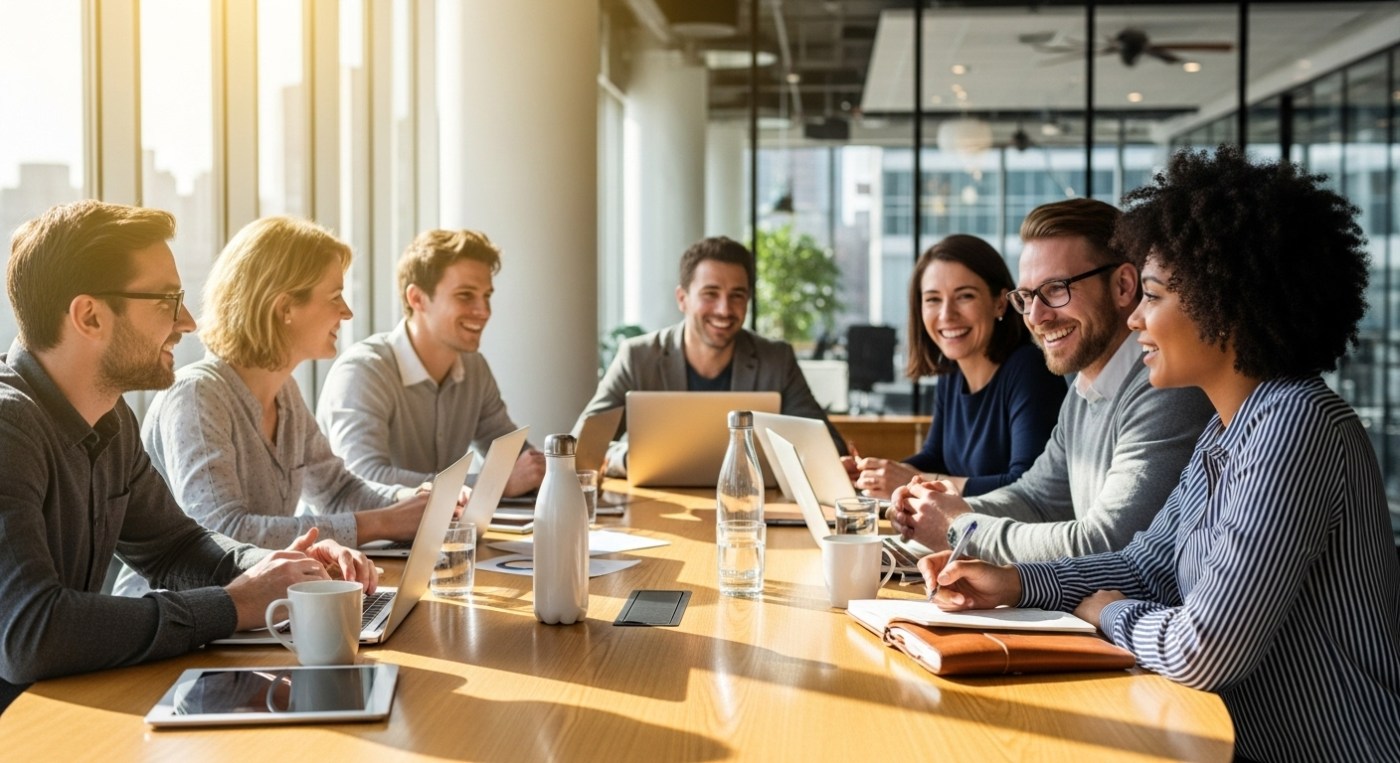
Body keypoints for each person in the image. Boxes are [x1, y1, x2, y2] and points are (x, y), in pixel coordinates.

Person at [923, 146, 1400, 763]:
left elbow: (1204, 647)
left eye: (1152, 295)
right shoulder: (1227, 431)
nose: (1138, 318)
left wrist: (1113, 614)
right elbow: (1147, 565)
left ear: (1221, 302)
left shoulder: (1297, 424)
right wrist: (1015, 582)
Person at [0, 201, 376, 712]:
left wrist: (282, 568)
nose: (188, 321)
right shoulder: (8, 428)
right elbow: (30, 634)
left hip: (67, 702)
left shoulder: (110, 420)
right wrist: (233, 604)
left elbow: (175, 548)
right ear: (90, 316)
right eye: (166, 300)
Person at [113, 216, 427, 597]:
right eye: (334, 297)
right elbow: (224, 531)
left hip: (256, 606)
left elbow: (336, 488)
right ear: (284, 308)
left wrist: (411, 502)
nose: (346, 312)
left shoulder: (285, 392)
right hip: (179, 616)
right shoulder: (197, 395)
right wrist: (378, 524)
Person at [890, 199, 1214, 562]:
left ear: (1124, 286)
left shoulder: (1164, 388)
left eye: (1056, 289)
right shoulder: (1083, 390)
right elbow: (1035, 499)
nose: (1036, 316)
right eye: (1027, 296)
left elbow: (1108, 544)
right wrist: (930, 515)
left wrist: (958, 527)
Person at [577, 235, 845, 476]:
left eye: (737, 296)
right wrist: (627, 458)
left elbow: (830, 447)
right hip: (659, 507)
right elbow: (581, 448)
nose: (724, 309)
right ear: (682, 299)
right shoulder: (638, 358)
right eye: (710, 294)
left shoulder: (776, 359)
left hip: (750, 509)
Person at [317, 228, 543, 497]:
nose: (484, 311)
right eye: (465, 295)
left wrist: (552, 470)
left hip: (435, 537)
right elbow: (364, 478)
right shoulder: (364, 371)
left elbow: (512, 457)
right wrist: (491, 485)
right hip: (352, 540)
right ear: (417, 299)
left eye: (487, 296)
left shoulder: (474, 369)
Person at [842, 234, 1065, 498]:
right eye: (933, 299)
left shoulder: (1030, 369)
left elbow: (1027, 488)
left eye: (965, 296)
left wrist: (917, 481)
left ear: (1000, 302)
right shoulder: (951, 371)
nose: (947, 315)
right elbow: (935, 456)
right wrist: (876, 475)